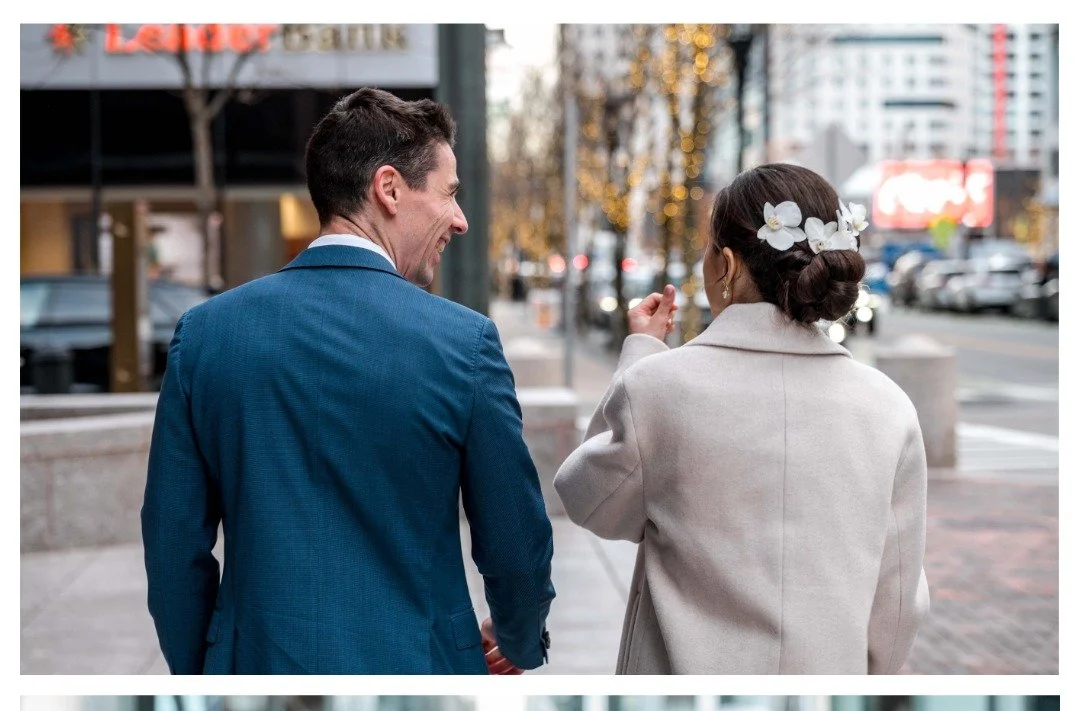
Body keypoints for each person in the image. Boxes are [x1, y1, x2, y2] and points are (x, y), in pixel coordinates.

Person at [143, 87, 554, 675]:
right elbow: (516, 543)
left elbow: (172, 545)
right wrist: (518, 639)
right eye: (449, 193)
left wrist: (205, 672)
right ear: (390, 188)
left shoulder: (206, 336)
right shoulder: (464, 343)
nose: (460, 220)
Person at [554, 163, 929, 675]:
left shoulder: (660, 387)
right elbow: (899, 603)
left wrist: (640, 353)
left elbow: (589, 501)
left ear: (726, 264)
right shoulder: (888, 407)